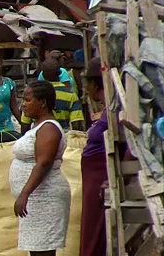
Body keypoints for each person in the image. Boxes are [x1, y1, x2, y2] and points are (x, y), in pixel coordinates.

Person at [10, 80, 70, 255]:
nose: (23, 105)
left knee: (43, 251)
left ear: (42, 102)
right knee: (36, 250)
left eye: (28, 100)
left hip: (45, 198)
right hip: (36, 200)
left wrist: (25, 193)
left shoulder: (48, 128)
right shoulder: (37, 126)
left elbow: (44, 162)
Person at [79, 57, 111, 256]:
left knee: (95, 227)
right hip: (93, 176)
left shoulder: (113, 110)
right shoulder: (107, 110)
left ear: (94, 83)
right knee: (91, 224)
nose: (85, 90)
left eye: (86, 84)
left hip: (99, 176)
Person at [21, 59, 85, 134]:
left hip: (38, 136)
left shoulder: (35, 95)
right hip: (63, 137)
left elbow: (25, 126)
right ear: (59, 74)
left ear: (43, 75)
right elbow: (76, 127)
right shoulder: (71, 95)